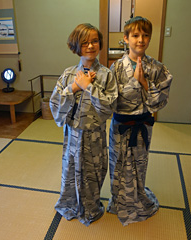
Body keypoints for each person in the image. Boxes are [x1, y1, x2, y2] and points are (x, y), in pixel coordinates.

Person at [49, 23, 118, 226]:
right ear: (76, 46)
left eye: (94, 41)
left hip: (95, 135)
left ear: (100, 44)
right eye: (85, 42)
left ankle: (91, 207)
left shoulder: (106, 74)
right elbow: (54, 102)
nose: (90, 46)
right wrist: (74, 87)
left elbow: (109, 106)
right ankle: (71, 204)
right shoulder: (69, 74)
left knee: (94, 172)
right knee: (71, 170)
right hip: (72, 135)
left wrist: (88, 87)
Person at [107, 16, 173, 226]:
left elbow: (160, 101)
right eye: (135, 35)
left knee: (139, 165)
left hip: (143, 126)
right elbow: (110, 100)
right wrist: (135, 84)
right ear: (126, 38)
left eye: (145, 35)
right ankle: (119, 201)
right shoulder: (116, 68)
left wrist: (144, 82)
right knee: (117, 164)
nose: (141, 40)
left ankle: (136, 199)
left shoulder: (158, 68)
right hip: (119, 126)